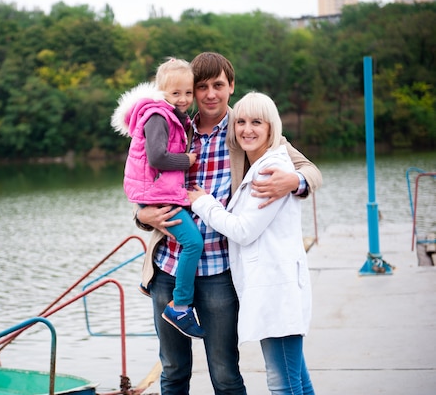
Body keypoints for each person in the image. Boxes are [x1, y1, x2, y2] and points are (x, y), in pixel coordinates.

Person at [135, 52, 322, 395]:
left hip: (220, 272)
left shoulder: (246, 126)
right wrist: (141, 215)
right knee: (173, 371)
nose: (209, 94)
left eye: (217, 85)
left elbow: (310, 169)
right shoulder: (174, 125)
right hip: (170, 267)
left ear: (230, 87)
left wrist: (293, 181)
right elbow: (142, 177)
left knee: (224, 372)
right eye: (200, 87)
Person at [188, 91, 316, 394]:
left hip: (276, 289)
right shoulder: (261, 164)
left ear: (271, 127)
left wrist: (203, 203)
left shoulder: (271, 170)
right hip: (273, 286)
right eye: (241, 122)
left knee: (282, 383)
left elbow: (244, 229)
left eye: (256, 122)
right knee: (296, 377)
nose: (247, 129)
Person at [111, 57, 205, 339]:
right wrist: (186, 161)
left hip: (157, 192)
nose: (183, 99)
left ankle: (148, 283)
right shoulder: (157, 116)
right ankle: (180, 305)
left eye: (188, 93)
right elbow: (157, 157)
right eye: (175, 93)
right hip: (157, 194)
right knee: (192, 242)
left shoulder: (171, 116)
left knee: (185, 238)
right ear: (160, 90)